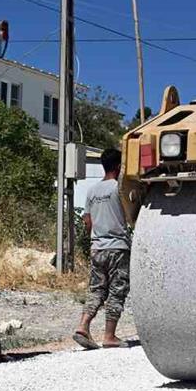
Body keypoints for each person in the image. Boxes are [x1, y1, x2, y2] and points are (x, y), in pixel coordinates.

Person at [73, 147, 133, 350]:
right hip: (118, 247)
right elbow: (130, 214)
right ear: (118, 166)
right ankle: (109, 335)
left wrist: (94, 236)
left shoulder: (92, 190)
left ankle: (83, 326)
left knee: (97, 289)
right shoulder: (119, 189)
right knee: (117, 290)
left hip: (97, 247)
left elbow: (87, 221)